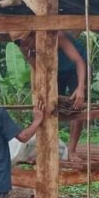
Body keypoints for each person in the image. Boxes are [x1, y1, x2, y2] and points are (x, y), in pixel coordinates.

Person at [14, 31, 87, 161]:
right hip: (55, 69)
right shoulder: (23, 46)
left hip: (75, 68)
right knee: (46, 103)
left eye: (26, 43)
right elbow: (38, 69)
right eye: (20, 44)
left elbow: (79, 61)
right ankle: (43, 146)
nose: (25, 47)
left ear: (33, 35)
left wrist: (80, 87)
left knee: (77, 105)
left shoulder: (57, 37)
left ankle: (72, 150)